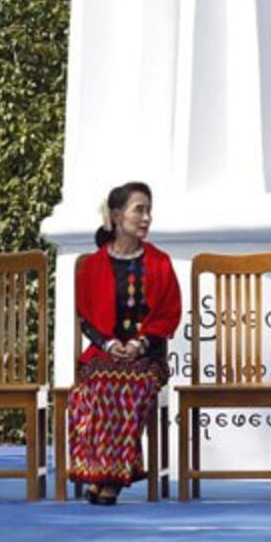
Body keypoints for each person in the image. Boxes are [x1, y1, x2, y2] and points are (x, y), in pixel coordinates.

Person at [68, 181, 181, 505]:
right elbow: (85, 318)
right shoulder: (93, 265)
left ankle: (110, 478)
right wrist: (109, 345)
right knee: (92, 386)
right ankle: (98, 471)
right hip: (104, 352)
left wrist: (139, 345)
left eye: (148, 211)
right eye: (139, 210)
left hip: (147, 356)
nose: (146, 218)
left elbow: (168, 315)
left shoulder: (160, 263)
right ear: (117, 216)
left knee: (127, 383)